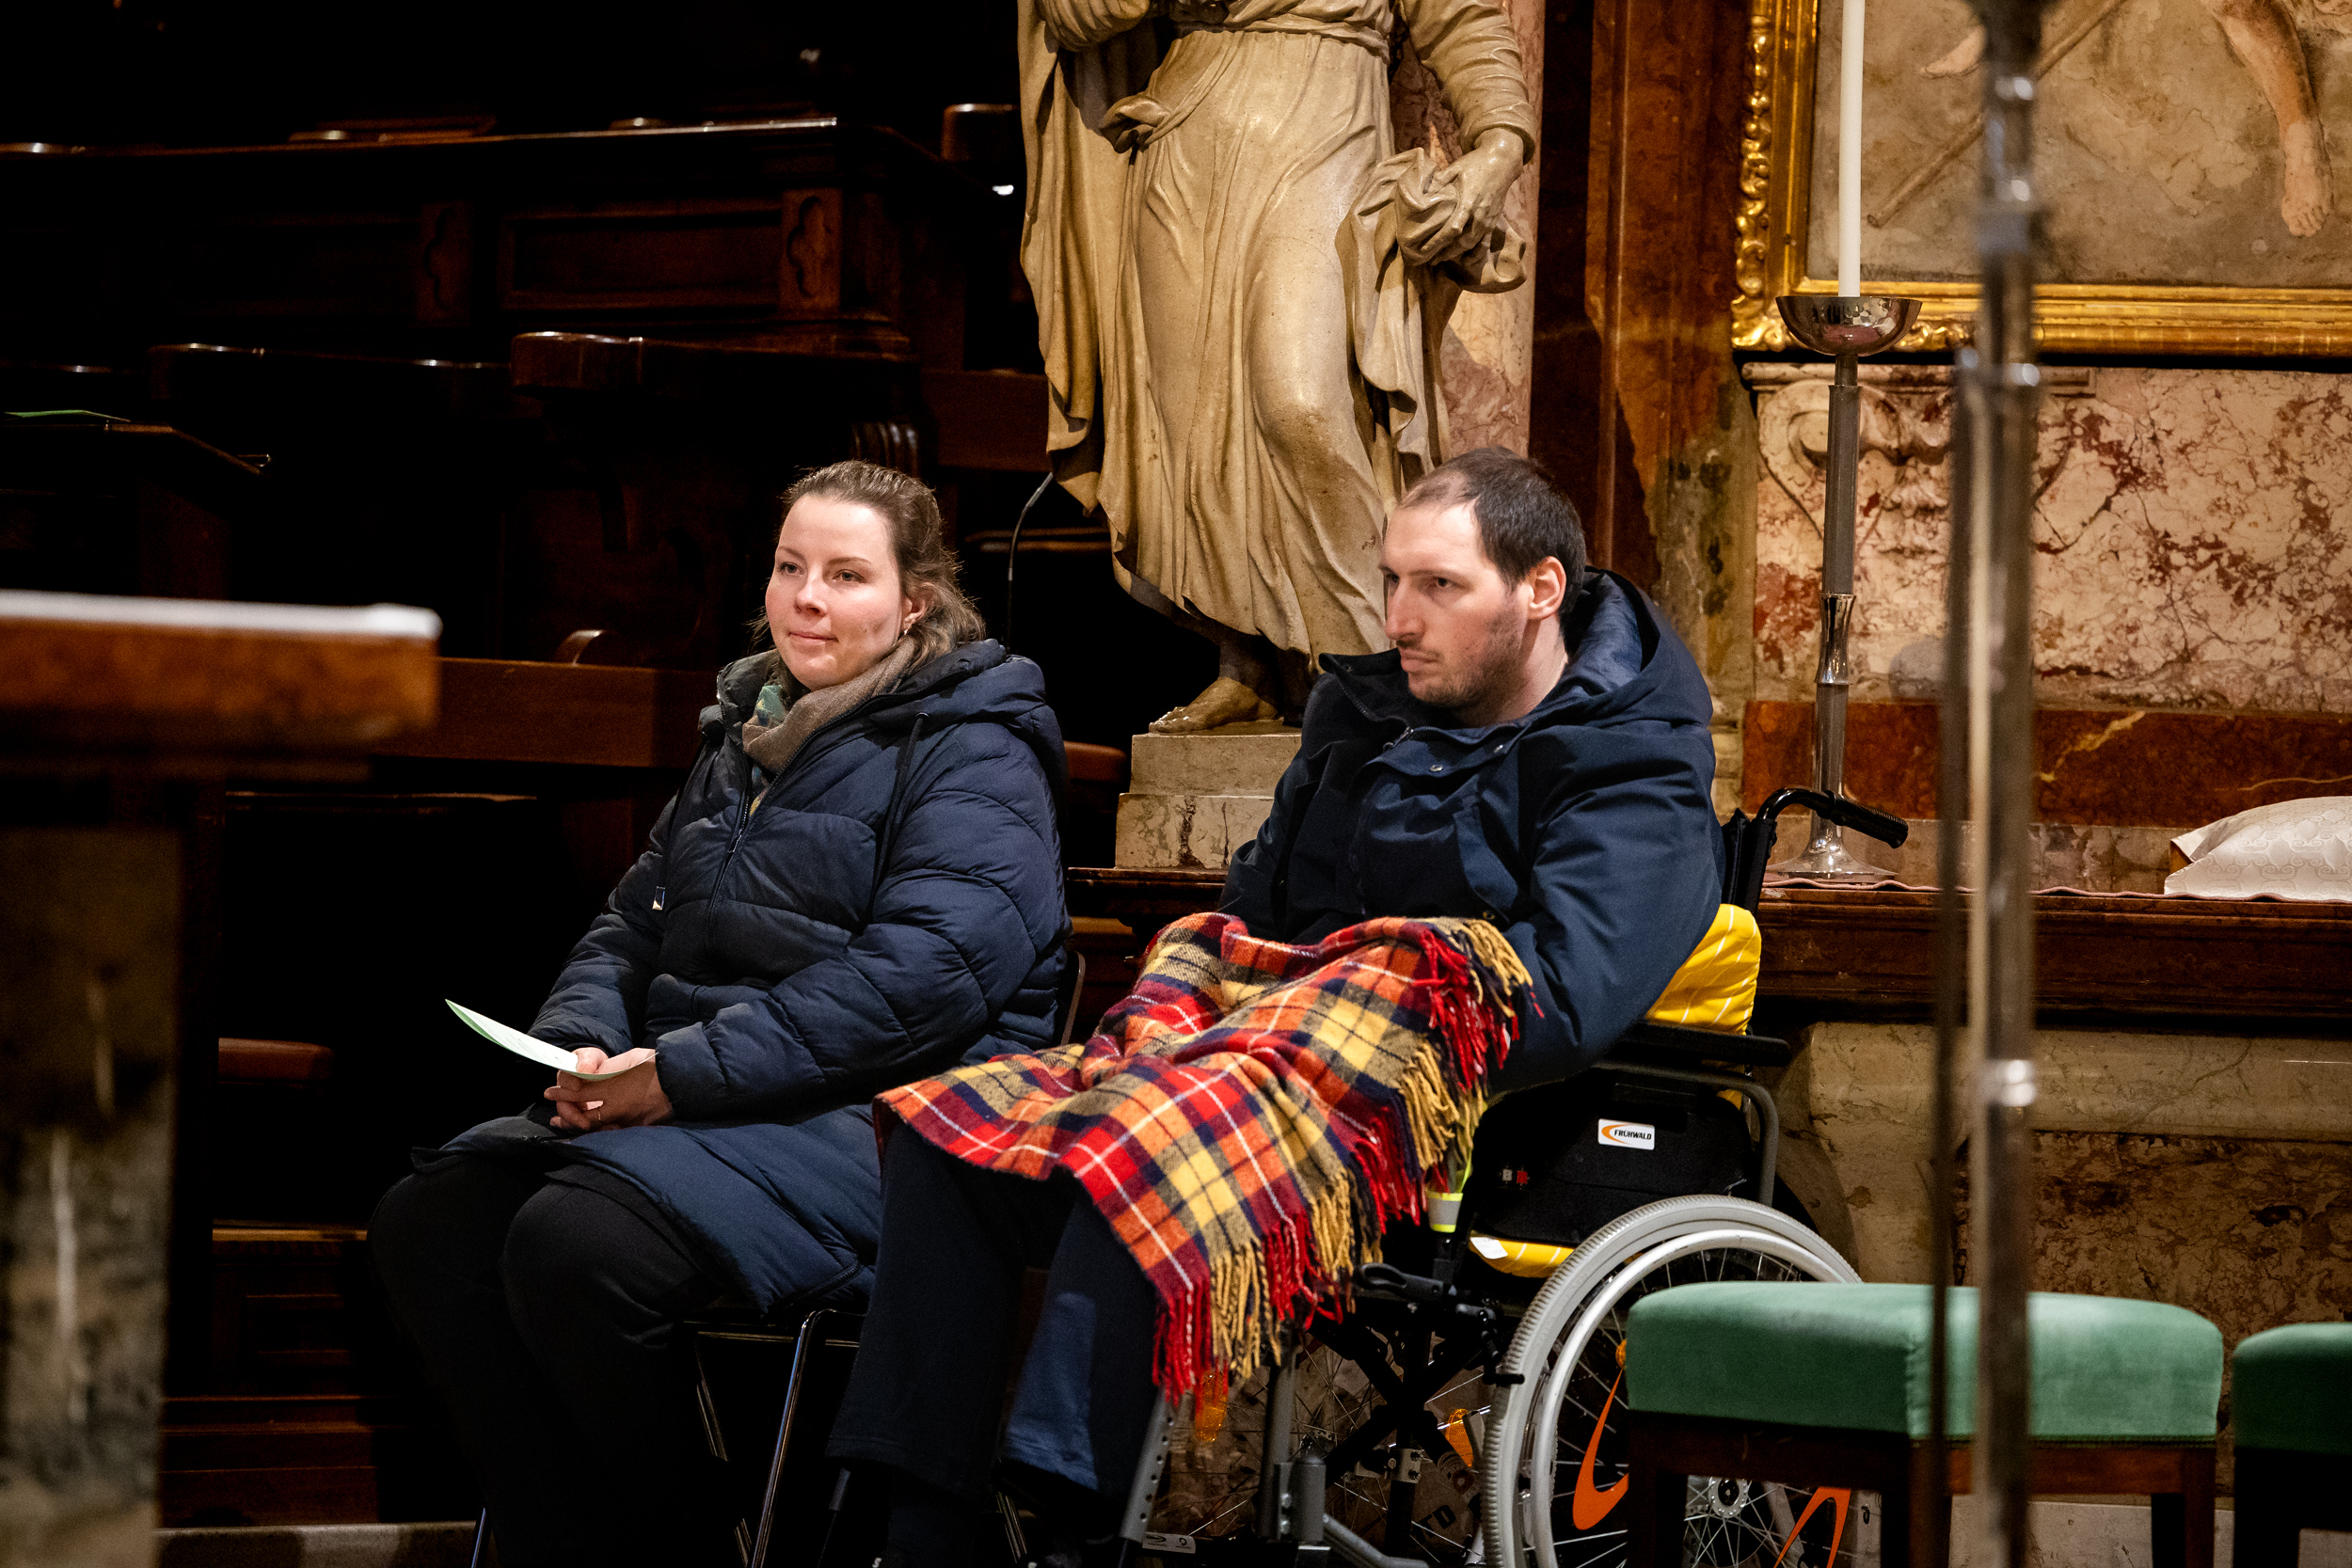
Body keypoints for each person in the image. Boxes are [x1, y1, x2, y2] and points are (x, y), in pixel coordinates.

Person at [827, 447, 1723, 1563]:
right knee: (948, 1137)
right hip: (1248, 1069)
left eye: (1439, 585)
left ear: (1539, 587)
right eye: (1392, 580)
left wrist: (1354, 982)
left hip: (1438, 1128)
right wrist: (1219, 995)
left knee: (1138, 1147)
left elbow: (1563, 997)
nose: (1400, 616)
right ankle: (921, 1529)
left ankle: (1073, 1524)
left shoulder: (1632, 761)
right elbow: (1249, 915)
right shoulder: (1363, 714)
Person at [370, 460, 1071, 1568]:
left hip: (881, 1126)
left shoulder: (973, 741)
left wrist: (677, 1072)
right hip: (706, 1102)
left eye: (846, 575)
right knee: (431, 1224)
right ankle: (569, 1544)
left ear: (915, 601)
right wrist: (586, 1041)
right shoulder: (746, 727)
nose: (807, 598)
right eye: (791, 568)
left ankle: (692, 1547)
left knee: (577, 1245)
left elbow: (922, 975)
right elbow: (631, 923)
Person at [1021, 0, 1540, 732]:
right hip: (1186, 131)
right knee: (1190, 434)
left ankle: (1373, 676)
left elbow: (1461, 19)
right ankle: (1250, 665)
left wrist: (1500, 145)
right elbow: (1075, 18)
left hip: (1330, 124)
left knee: (1303, 409)